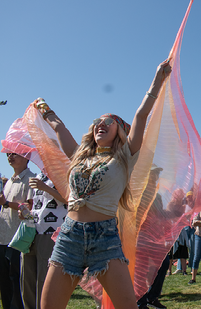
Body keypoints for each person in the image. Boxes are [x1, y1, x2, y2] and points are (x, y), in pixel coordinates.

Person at [38, 59, 172, 309]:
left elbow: (142, 115)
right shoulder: (80, 155)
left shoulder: (125, 156)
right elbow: (59, 128)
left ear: (120, 131)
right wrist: (45, 109)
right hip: (70, 236)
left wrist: (157, 80)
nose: (101, 124)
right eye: (97, 121)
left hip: (105, 238)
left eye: (109, 121)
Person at [23, 173, 66, 309]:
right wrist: (25, 210)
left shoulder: (63, 171)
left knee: (44, 278)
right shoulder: (38, 175)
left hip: (51, 232)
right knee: (27, 277)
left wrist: (45, 188)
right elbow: (36, 204)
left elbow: (69, 199)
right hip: (32, 231)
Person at [0, 152, 36, 309]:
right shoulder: (8, 181)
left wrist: (7, 203)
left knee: (16, 282)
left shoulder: (32, 179)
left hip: (18, 240)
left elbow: (31, 207)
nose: (10, 157)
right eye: (8, 154)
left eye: (15, 154)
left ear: (27, 157)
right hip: (3, 238)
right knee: (4, 283)